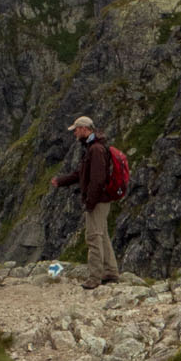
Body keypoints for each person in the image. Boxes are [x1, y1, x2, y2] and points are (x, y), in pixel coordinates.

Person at [50, 115, 120, 290]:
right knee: (102, 234)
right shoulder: (93, 147)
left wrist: (90, 201)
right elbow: (80, 174)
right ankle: (111, 271)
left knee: (93, 237)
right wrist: (61, 181)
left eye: (76, 129)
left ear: (84, 129)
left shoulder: (95, 150)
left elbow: (97, 179)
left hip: (98, 200)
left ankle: (94, 278)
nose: (74, 133)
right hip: (102, 199)